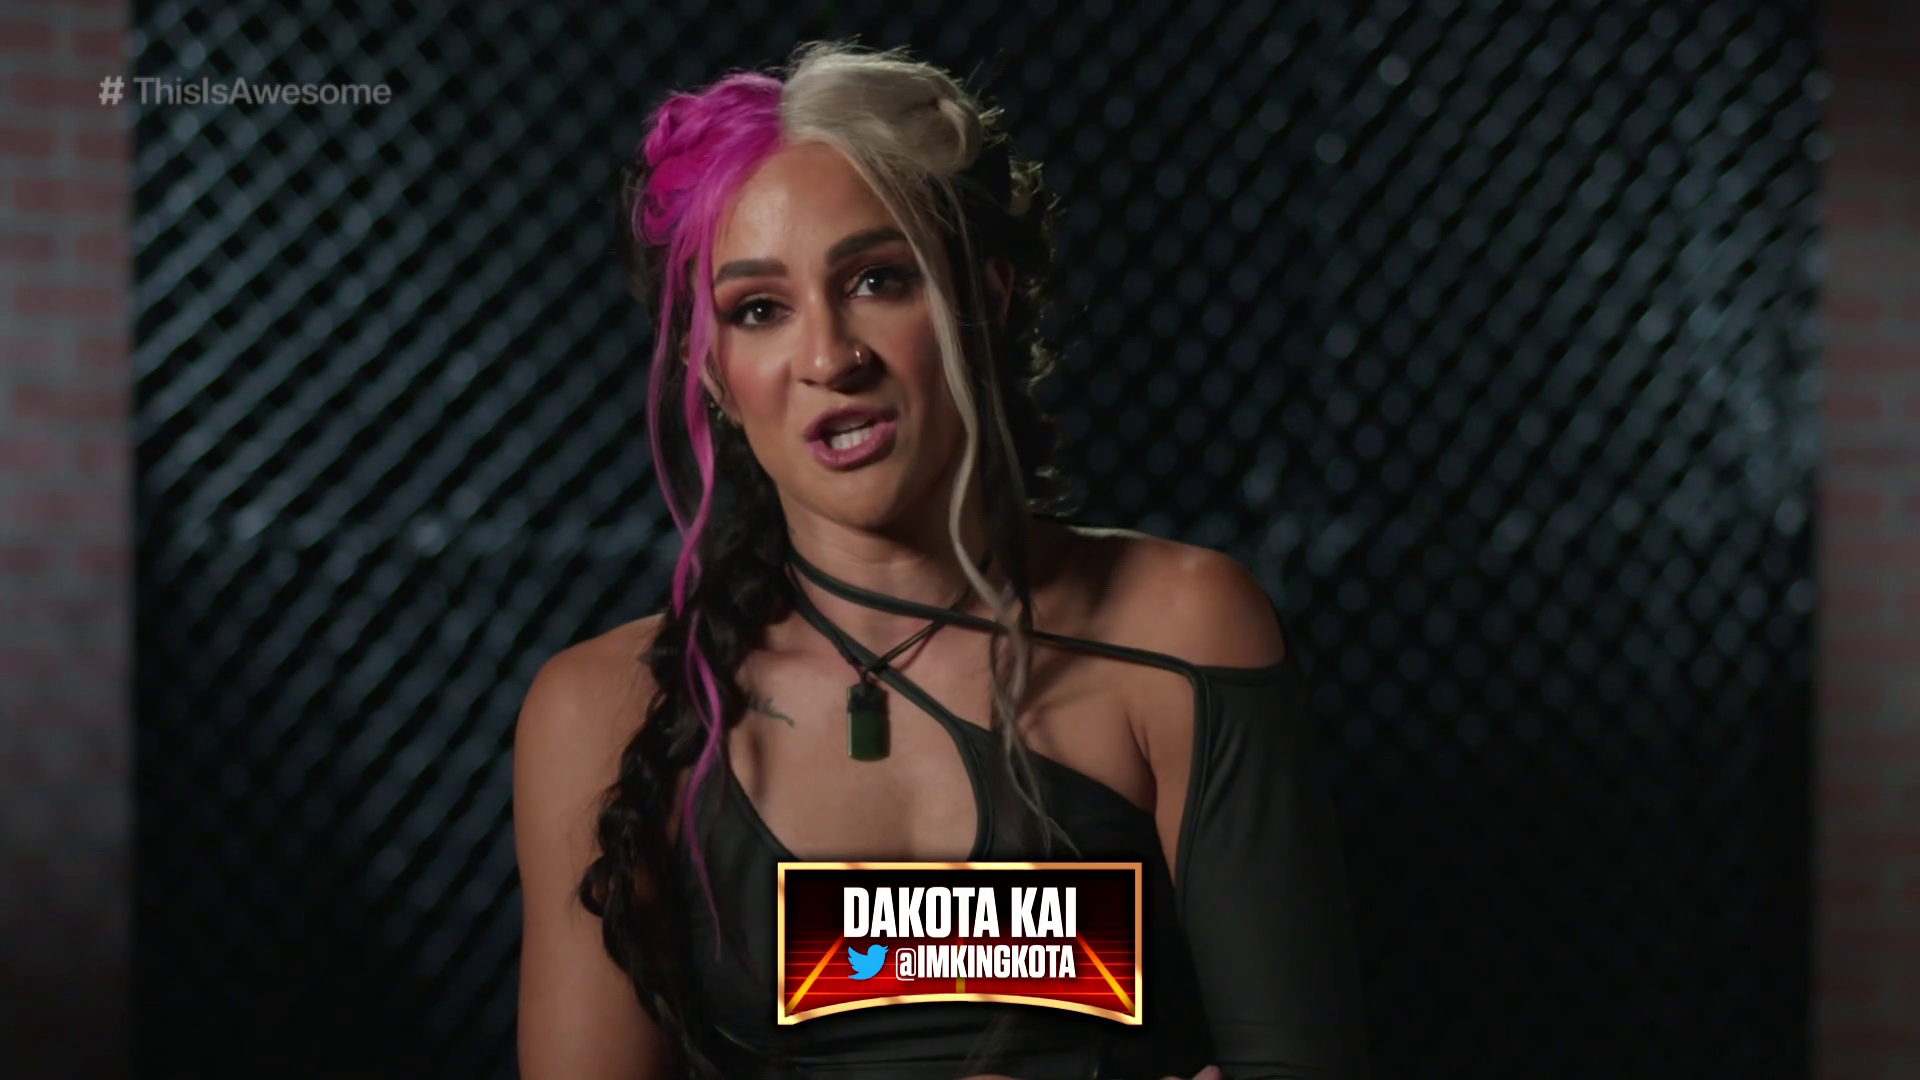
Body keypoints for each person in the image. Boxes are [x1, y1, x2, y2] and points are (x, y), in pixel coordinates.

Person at [513, 40, 1369, 1080]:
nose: (830, 358)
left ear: (986, 295)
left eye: (878, 280)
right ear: (715, 373)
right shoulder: (601, 713)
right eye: (760, 309)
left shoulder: (1181, 628)